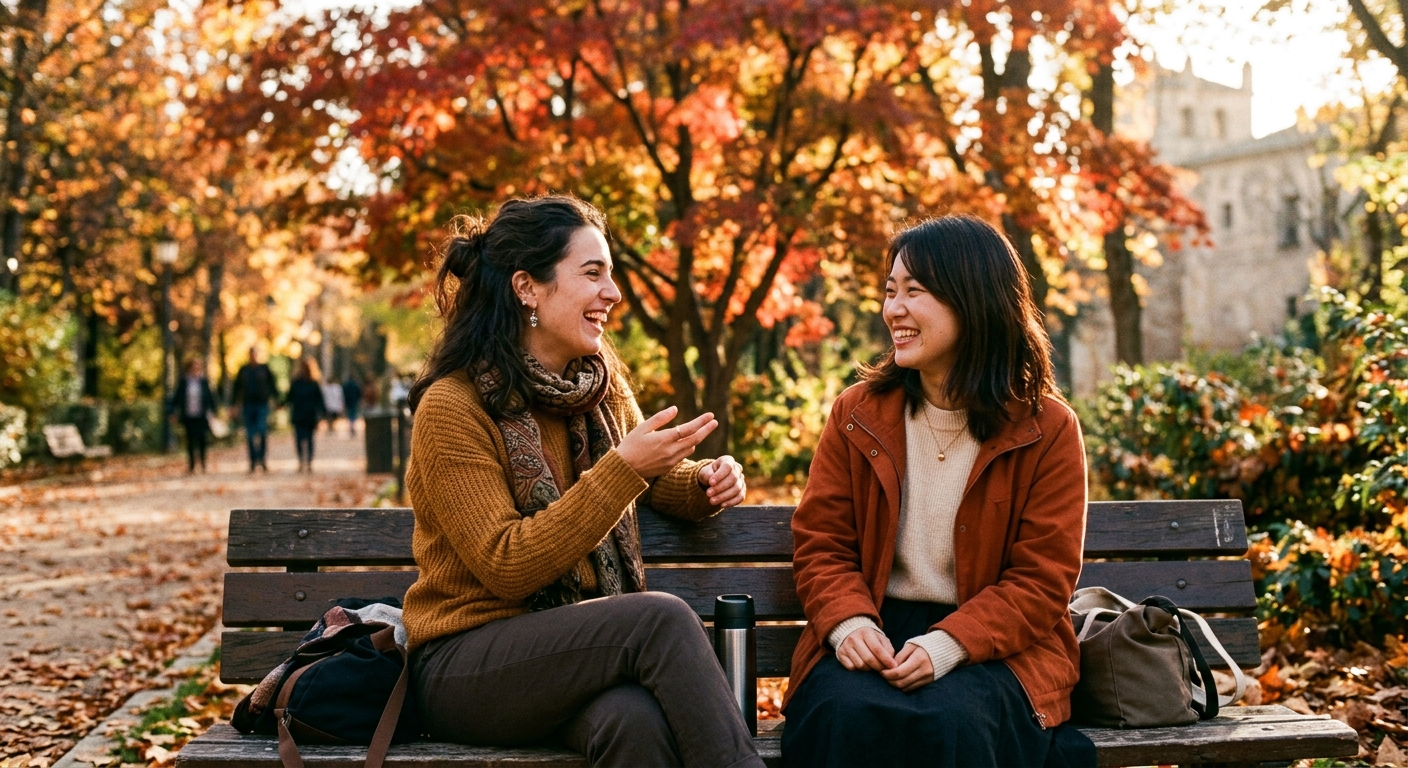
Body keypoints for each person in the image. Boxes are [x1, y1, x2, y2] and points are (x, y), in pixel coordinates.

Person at [402, 195, 764, 768]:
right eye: (592, 273)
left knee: (635, 724)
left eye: (611, 275)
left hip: (571, 656)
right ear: (527, 287)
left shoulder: (594, 386)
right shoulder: (453, 406)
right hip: (465, 662)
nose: (613, 294)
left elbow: (652, 477)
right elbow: (506, 563)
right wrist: (624, 470)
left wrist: (705, 482)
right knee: (661, 619)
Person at [781, 216, 1097, 768]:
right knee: (842, 713)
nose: (892, 310)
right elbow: (822, 542)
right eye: (889, 291)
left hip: (998, 645)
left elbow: (1042, 580)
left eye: (914, 292)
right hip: (876, 627)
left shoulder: (1047, 428)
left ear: (971, 301)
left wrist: (950, 643)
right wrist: (848, 622)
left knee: (952, 723)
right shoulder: (858, 415)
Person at [231, 346, 278, 473]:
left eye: (255, 354)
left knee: (262, 431)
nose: (253, 357)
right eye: (251, 354)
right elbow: (236, 388)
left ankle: (262, 460)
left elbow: (272, 386)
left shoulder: (264, 369)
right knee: (250, 434)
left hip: (262, 405)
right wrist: (234, 405)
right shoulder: (244, 370)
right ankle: (253, 461)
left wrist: (277, 401)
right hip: (248, 405)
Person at [167, 358, 217, 473]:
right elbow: (176, 399)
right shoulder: (184, 382)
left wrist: (213, 413)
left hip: (202, 416)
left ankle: (203, 464)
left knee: (202, 440)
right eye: (193, 367)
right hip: (188, 416)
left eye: (197, 367)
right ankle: (192, 466)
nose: (195, 370)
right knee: (190, 441)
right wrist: (171, 412)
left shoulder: (204, 382)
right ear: (189, 369)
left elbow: (210, 398)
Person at [286, 357, 327, 472]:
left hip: (310, 416)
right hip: (299, 415)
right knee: (299, 439)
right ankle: (301, 460)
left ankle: (308, 461)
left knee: (309, 439)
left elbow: (320, 400)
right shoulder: (296, 382)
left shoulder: (314, 383)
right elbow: (290, 397)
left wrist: (322, 414)